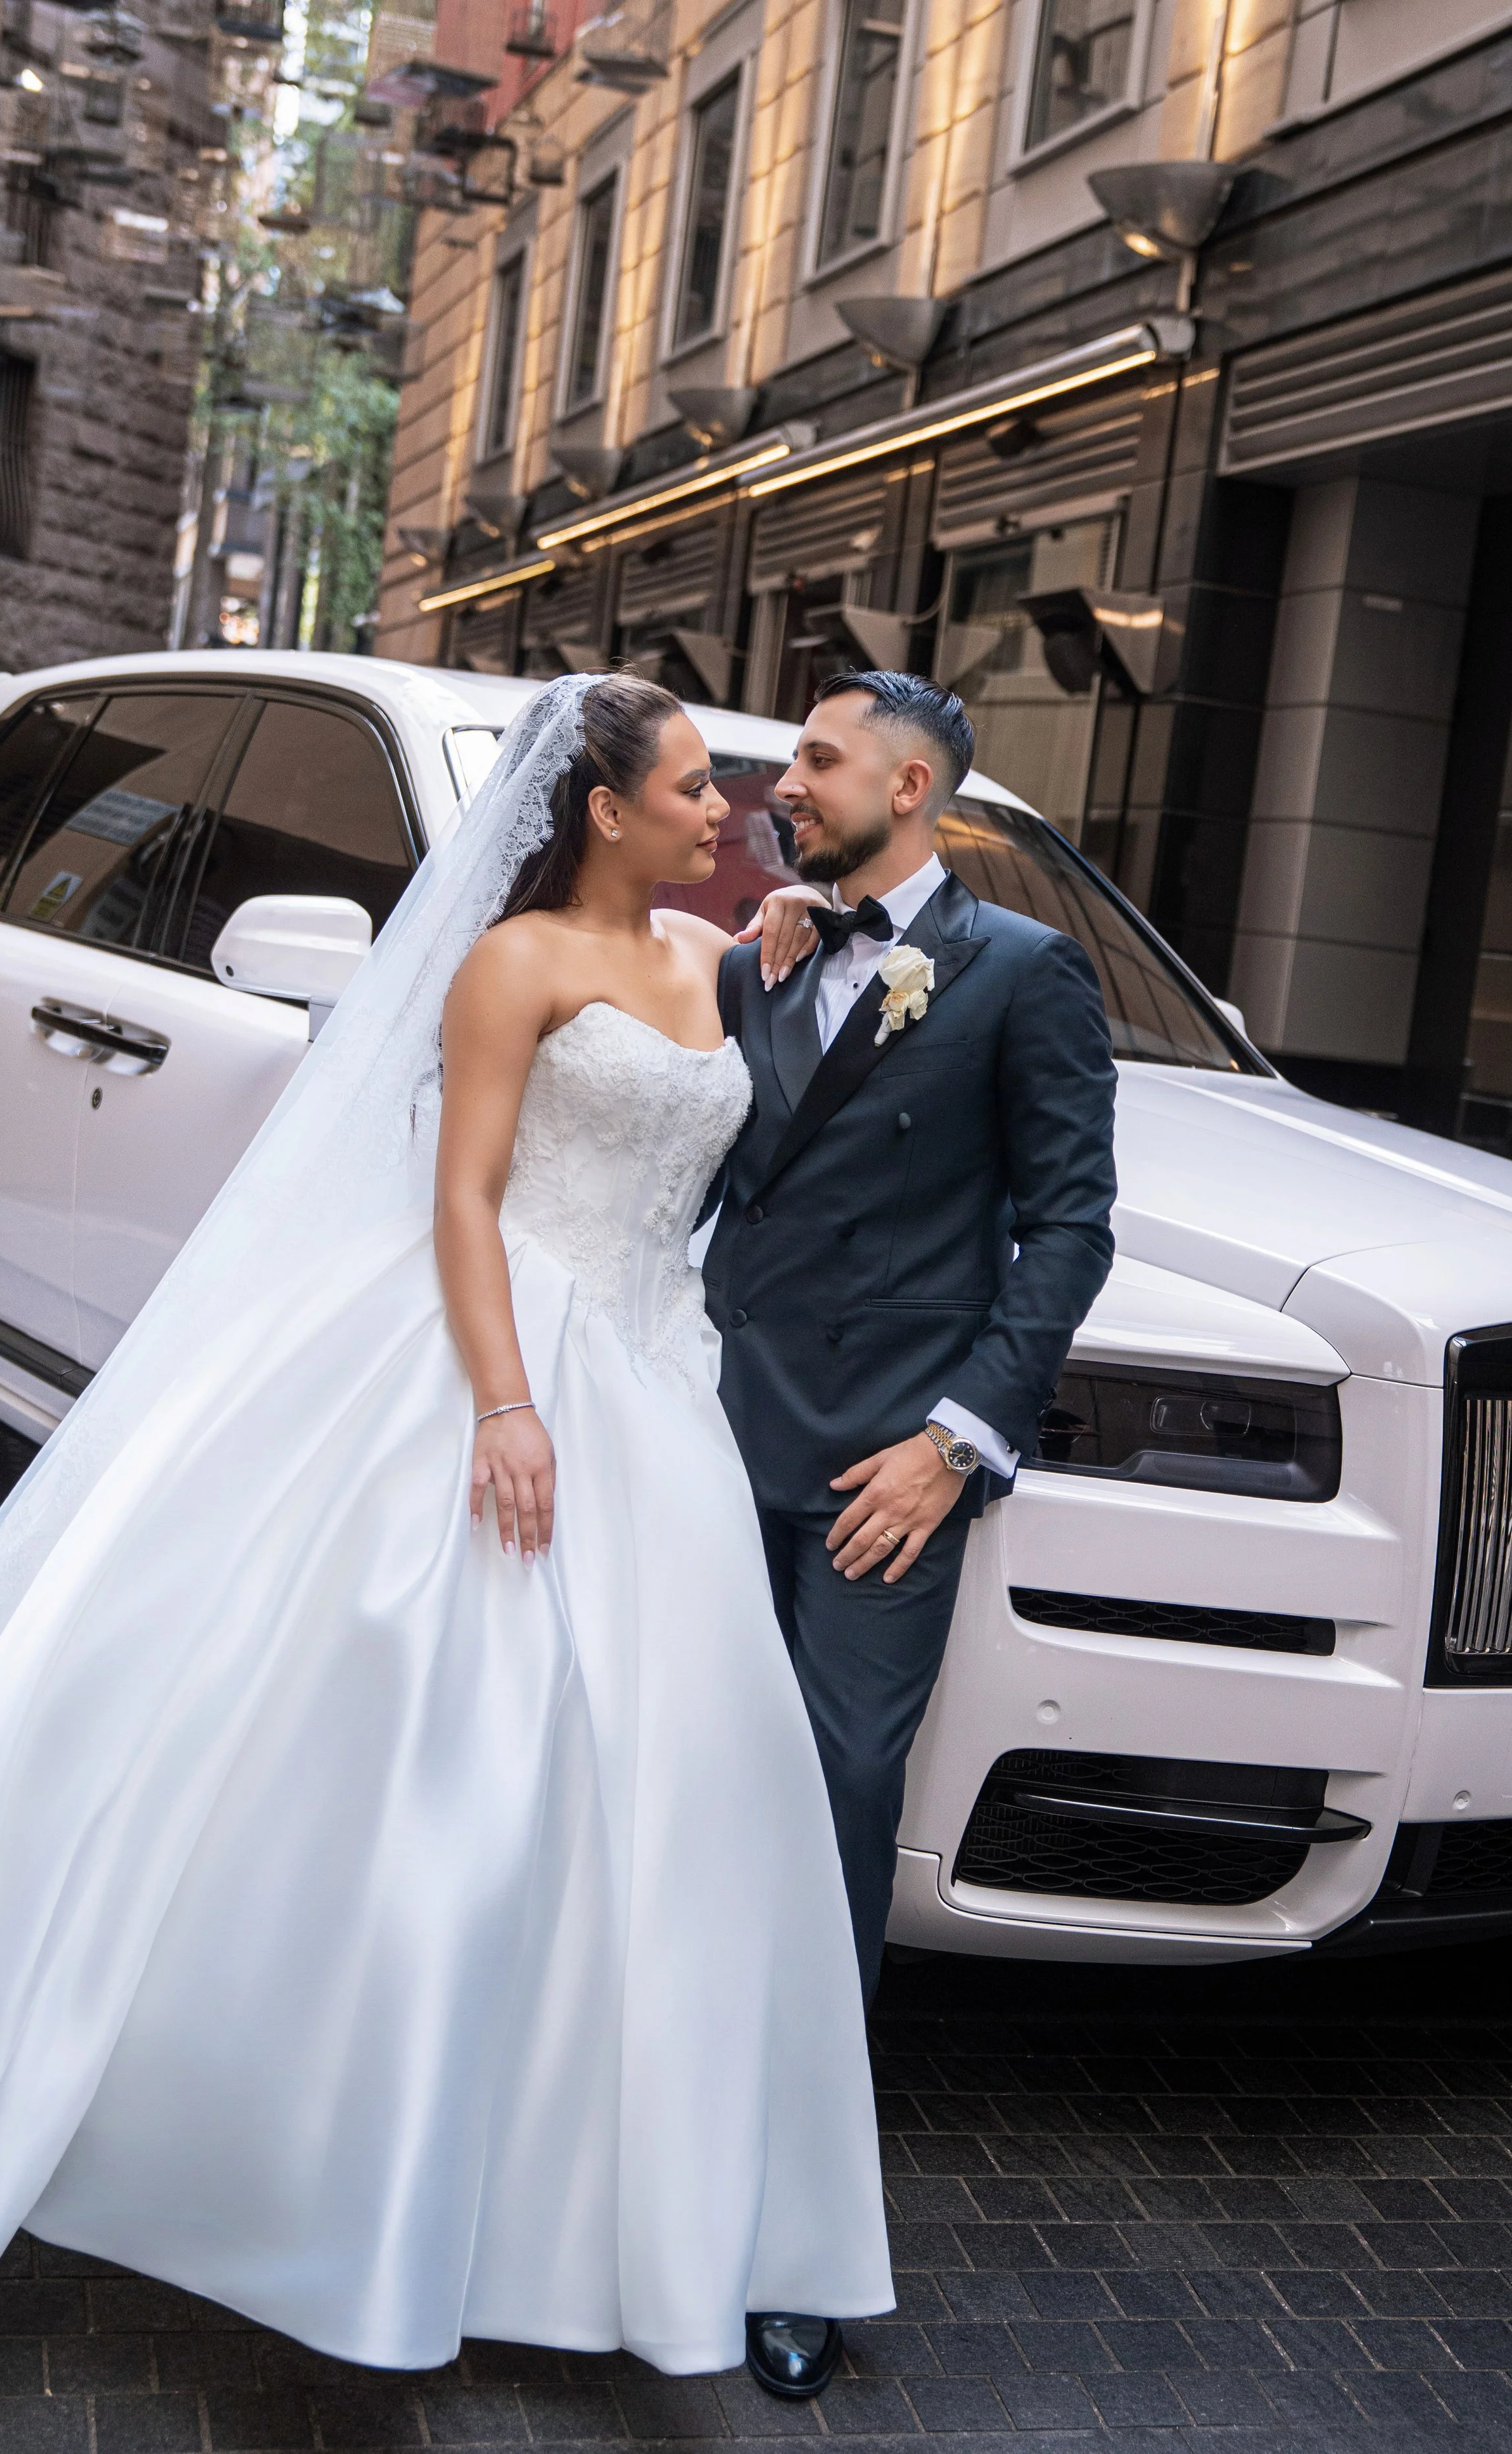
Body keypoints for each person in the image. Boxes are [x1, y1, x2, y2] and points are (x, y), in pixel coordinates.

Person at [0, 674, 893, 2381]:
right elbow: (467, 1196)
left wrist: (793, 973)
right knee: (443, 1765)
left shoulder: (717, 965)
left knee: (655, 1799)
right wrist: (505, 1407)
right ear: (602, 807)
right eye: (686, 788)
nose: (721, 811)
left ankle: (583, 2204)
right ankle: (310, 2154)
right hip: (512, 1364)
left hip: (661, 1385)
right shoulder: (512, 967)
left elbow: (716, 1160)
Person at [705, 668, 1116, 2394]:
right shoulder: (752, 959)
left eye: (807, 760)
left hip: (884, 1479)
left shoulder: (1022, 976)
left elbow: (1069, 1226)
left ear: (912, 783)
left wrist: (953, 1446)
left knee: (832, 1804)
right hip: (701, 1439)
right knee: (672, 1787)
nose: (776, 788)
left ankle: (792, 2234)